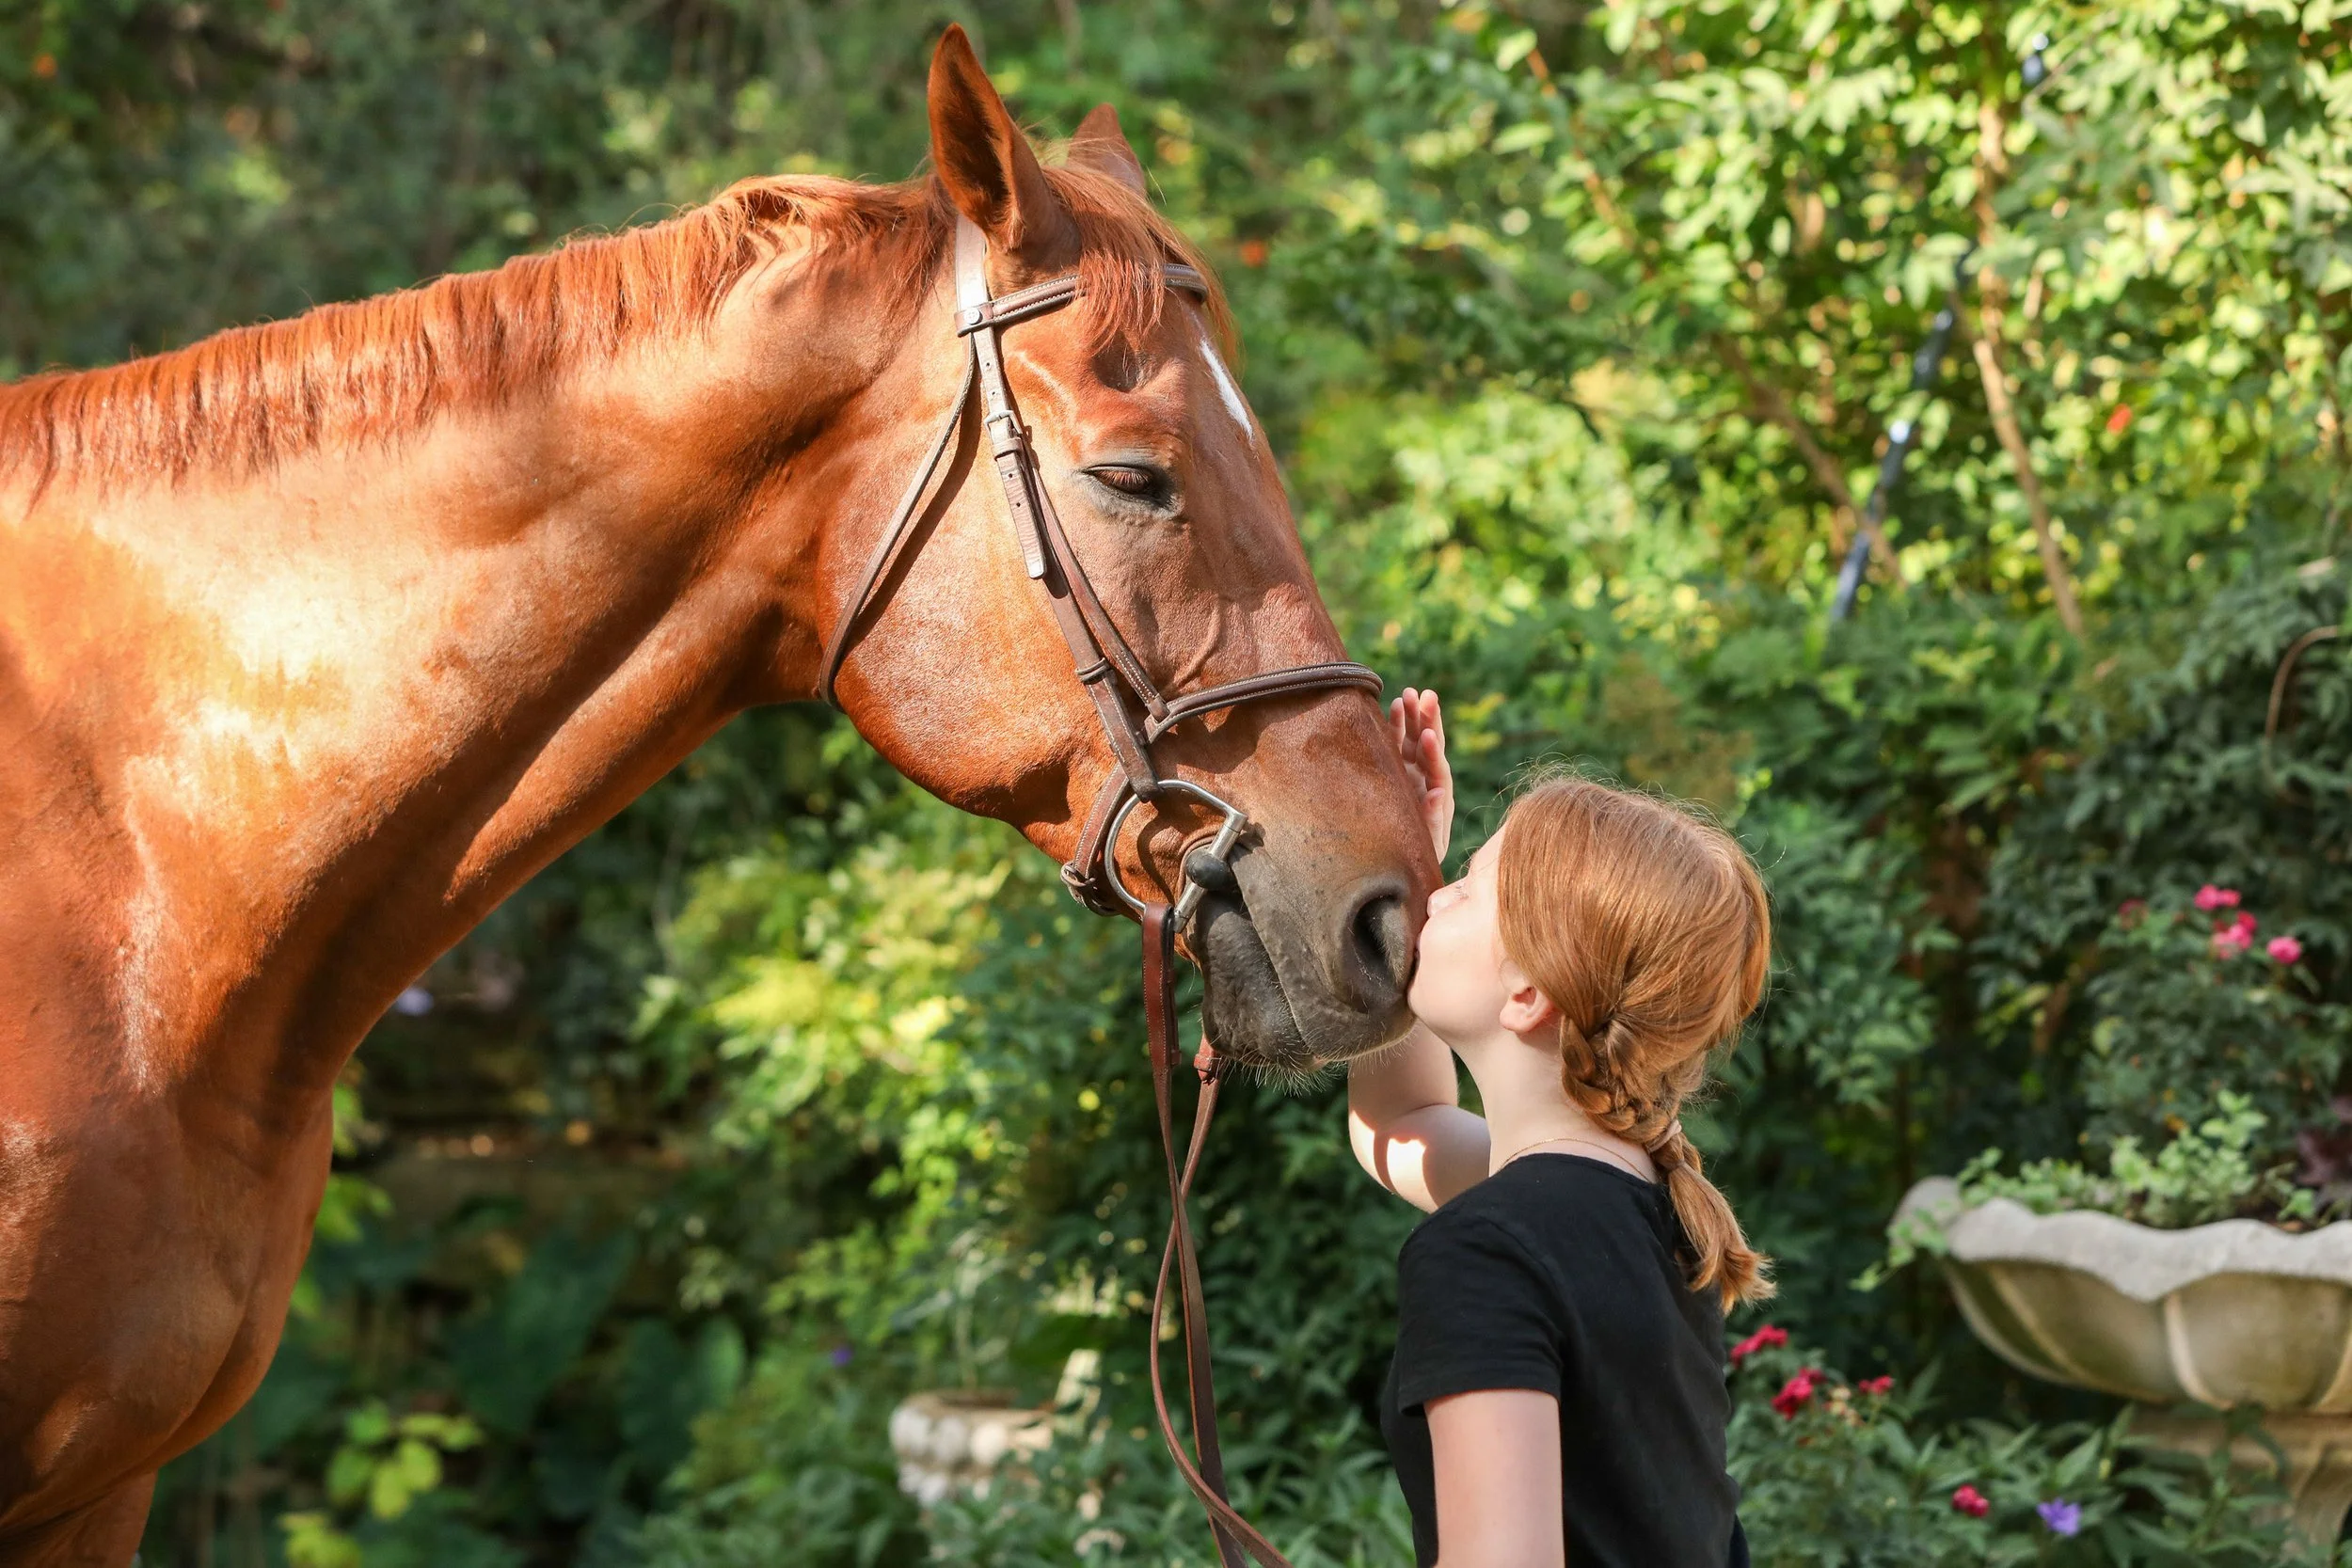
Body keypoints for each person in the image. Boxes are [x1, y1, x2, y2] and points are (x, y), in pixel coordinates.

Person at [1348, 688, 1771, 1568]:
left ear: (1529, 993)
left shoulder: (1491, 1247)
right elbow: (1402, 1123)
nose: (1435, 901)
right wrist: (1404, 854)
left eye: (1463, 887)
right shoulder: (1650, 1206)